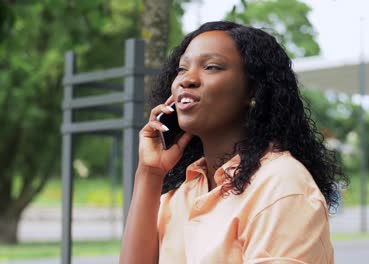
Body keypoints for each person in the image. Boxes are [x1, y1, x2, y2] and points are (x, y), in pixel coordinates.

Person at [120, 21, 344, 264]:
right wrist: (150, 173)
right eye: (182, 69)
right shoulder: (185, 192)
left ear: (253, 91)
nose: (187, 79)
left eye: (211, 67)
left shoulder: (281, 184)